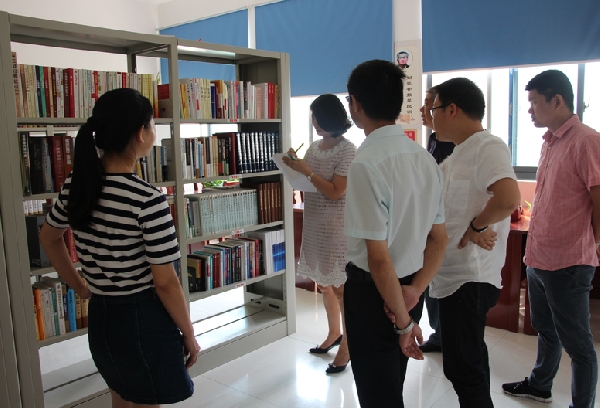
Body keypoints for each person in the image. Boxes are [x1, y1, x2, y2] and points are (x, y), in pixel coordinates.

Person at [39, 88, 200, 408]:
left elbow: (49, 237)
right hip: (143, 319)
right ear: (140, 133)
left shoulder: (75, 187)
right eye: (152, 125)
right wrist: (189, 334)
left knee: (122, 398)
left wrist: (80, 287)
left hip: (102, 317)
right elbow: (166, 283)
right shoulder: (147, 200)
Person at [343, 59, 448, 407]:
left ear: (356, 104)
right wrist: (413, 294)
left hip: (375, 295)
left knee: (377, 394)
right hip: (411, 290)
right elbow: (439, 238)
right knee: (392, 385)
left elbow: (378, 259)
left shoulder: (366, 163)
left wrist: (403, 325)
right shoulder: (425, 158)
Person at [502, 70, 600, 408]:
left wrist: (594, 244)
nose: (528, 110)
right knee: (546, 329)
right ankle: (540, 385)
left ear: (557, 100)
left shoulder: (586, 140)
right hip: (538, 257)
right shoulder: (549, 141)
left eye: (533, 102)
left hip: (568, 262)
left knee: (579, 345)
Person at [429, 78, 520, 408]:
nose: (430, 116)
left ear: (452, 110)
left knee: (462, 369)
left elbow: (508, 198)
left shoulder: (487, 146)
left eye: (434, 109)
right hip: (454, 277)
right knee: (471, 361)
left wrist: (475, 226)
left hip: (469, 278)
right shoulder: (458, 155)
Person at [282, 94, 356, 374]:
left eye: (316, 116)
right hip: (315, 223)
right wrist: (294, 167)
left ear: (328, 117)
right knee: (324, 284)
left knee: (341, 289)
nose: (313, 121)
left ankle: (348, 345)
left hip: (336, 226)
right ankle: (334, 333)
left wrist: (306, 171)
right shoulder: (314, 147)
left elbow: (336, 191)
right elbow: (306, 181)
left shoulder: (348, 150)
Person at [418, 86, 455, 354]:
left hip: (448, 226)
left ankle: (445, 334)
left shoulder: (456, 145)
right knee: (430, 281)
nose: (423, 110)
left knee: (442, 284)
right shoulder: (433, 140)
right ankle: (439, 333)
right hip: (430, 222)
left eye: (429, 105)